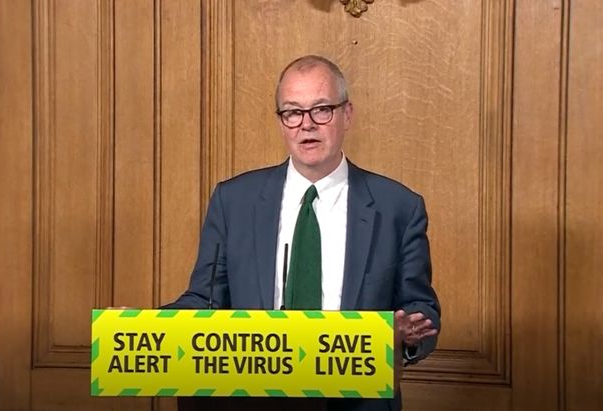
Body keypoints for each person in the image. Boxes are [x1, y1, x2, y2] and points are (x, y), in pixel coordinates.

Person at [165, 55, 440, 411]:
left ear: (347, 115)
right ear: (281, 122)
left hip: (355, 402)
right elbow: (206, 300)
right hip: (251, 399)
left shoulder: (398, 207)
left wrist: (404, 338)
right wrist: (142, 328)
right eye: (293, 112)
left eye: (322, 109)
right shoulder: (233, 200)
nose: (306, 125)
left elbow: (420, 307)